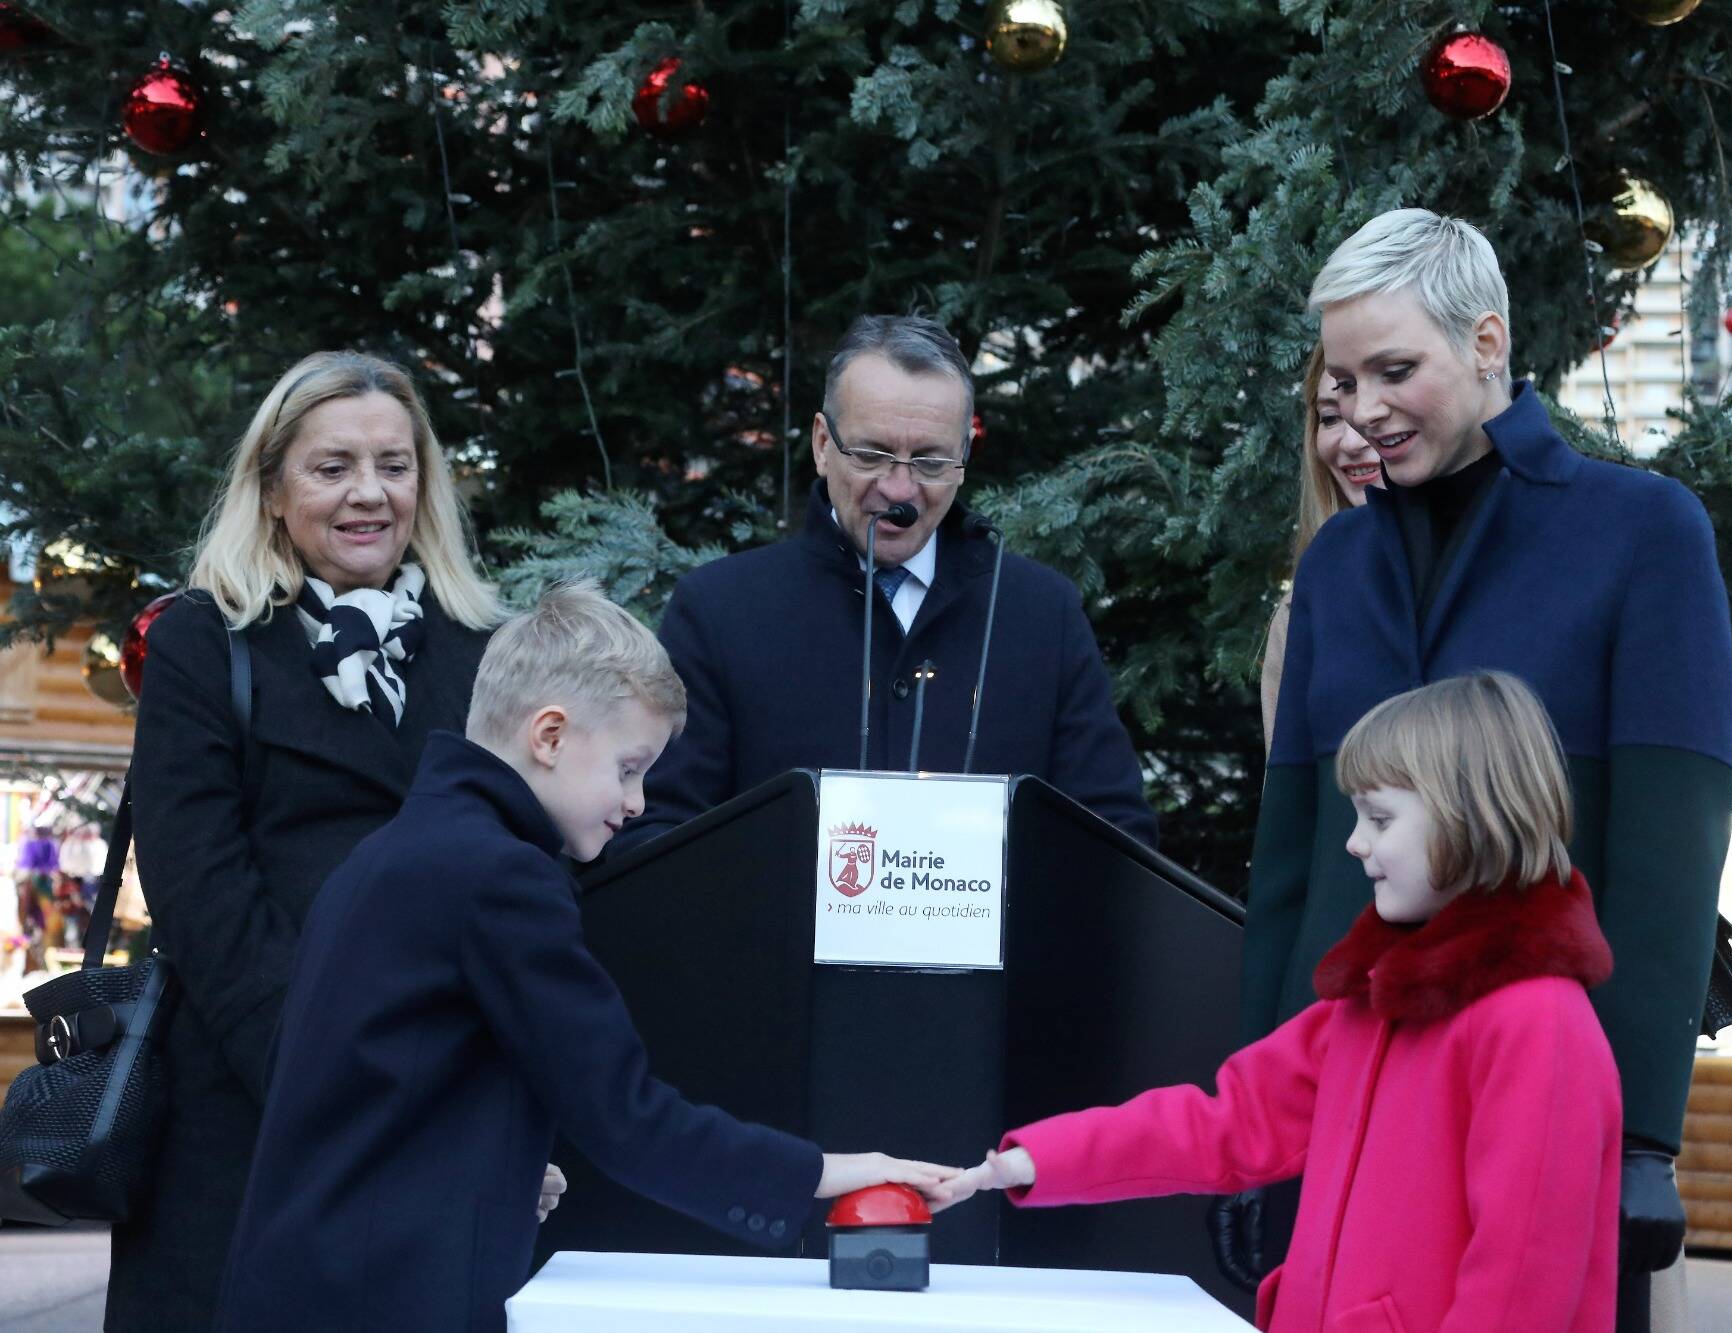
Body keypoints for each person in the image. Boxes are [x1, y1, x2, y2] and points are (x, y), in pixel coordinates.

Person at [214, 582, 954, 1332]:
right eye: (630, 767)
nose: (637, 802)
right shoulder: (502, 875)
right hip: (389, 1298)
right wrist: (824, 1174)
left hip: (300, 1282)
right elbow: (624, 1116)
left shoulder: (389, 854)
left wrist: (485, 1166)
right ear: (551, 736)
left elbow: (337, 1082)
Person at [1241, 209, 1732, 1331]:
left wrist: (1643, 1138)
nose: (1362, 409)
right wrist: (1260, 1114)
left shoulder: (1642, 532)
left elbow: (1669, 860)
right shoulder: (1336, 566)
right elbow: (1292, 868)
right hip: (1355, 1101)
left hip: (1542, 1117)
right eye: (1343, 376)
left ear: (1484, 342)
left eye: (1393, 369)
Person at [941, 673, 1623, 1333]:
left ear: (1472, 816)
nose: (1354, 842)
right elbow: (1224, 1122)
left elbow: (1522, 1284)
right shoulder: (1371, 1003)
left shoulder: (1538, 1025)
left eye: (1379, 817)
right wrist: (1034, 1160)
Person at [116, 351, 506, 1329]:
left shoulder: (488, 649)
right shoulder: (204, 641)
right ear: (273, 488)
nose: (368, 494)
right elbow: (199, 887)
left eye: (394, 464)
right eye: (332, 467)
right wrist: (334, 1076)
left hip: (442, 1112)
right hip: (251, 1113)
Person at [630, 314, 1157, 846]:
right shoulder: (721, 610)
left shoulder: (1043, 614)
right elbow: (654, 830)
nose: (899, 490)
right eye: (871, 455)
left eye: (929, 462)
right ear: (821, 445)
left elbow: (1116, 838)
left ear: (962, 463)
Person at [1261, 342, 1381, 748]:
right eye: (1330, 417)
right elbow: (1286, 796)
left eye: (1373, 410)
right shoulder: (1302, 610)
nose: (1350, 442)